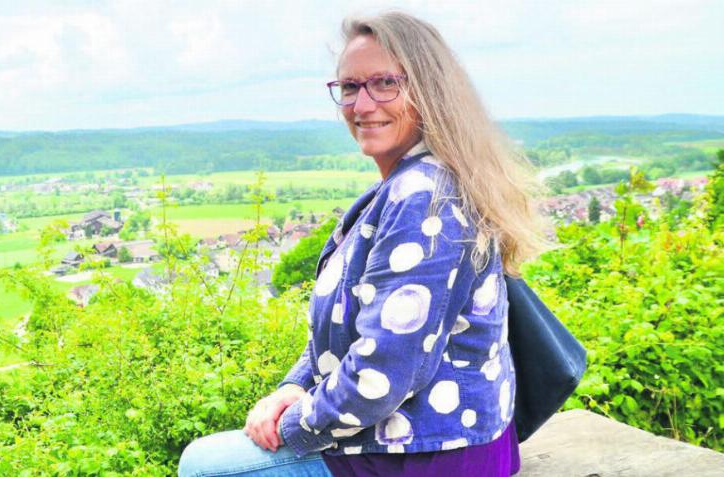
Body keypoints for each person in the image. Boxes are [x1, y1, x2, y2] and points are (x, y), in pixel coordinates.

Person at [178, 11, 548, 477]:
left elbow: (383, 374)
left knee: (204, 466)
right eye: (350, 87)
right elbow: (347, 327)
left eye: (385, 83)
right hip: (442, 441)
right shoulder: (412, 184)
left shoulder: (425, 200)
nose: (362, 104)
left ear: (429, 90)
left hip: (429, 453)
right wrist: (293, 387)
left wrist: (292, 425)